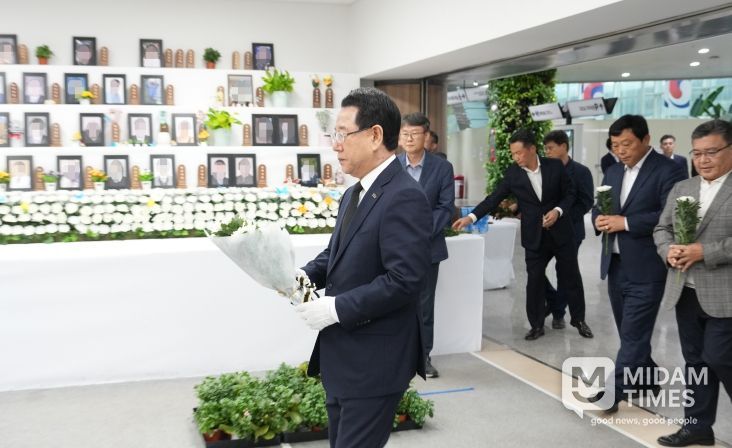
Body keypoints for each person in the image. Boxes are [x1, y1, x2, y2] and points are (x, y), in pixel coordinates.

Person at [295, 87, 431, 448]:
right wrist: (302, 276)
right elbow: (337, 253)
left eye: (343, 134)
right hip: (344, 356)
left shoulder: (403, 195)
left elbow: (404, 280)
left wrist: (336, 308)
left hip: (374, 361)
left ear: (374, 136)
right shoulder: (354, 192)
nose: (335, 145)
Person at [453, 129, 593, 341]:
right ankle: (536, 325)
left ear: (532, 149)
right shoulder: (513, 174)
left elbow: (570, 194)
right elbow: (493, 199)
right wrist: (470, 217)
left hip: (561, 232)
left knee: (571, 276)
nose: (516, 157)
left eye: (519, 153)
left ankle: (579, 320)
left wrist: (558, 211)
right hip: (534, 235)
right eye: (513, 154)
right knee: (534, 281)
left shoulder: (555, 166)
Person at [592, 114, 686, 413]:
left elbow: (669, 214)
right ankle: (648, 379)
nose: (621, 150)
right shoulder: (613, 171)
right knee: (628, 330)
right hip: (616, 263)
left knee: (633, 332)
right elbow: (599, 205)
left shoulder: (668, 170)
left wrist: (626, 222)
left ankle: (613, 391)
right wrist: (599, 218)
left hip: (648, 265)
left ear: (646, 139)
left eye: (627, 144)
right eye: (615, 145)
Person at [654, 119, 732, 447]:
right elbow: (662, 228)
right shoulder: (683, 188)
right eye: (697, 153)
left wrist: (705, 252)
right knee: (695, 362)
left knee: (720, 357)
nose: (703, 160)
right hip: (685, 291)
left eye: (711, 152)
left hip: (726, 293)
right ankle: (698, 426)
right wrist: (668, 250)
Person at [397, 112, 454, 378]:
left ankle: (424, 358)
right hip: (395, 249)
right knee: (395, 304)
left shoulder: (442, 168)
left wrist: (421, 233)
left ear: (427, 136)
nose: (409, 139)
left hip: (427, 248)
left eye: (414, 134)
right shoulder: (391, 165)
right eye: (404, 134)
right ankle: (398, 356)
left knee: (424, 306)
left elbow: (445, 207)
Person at [542, 130, 594, 329]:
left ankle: (558, 313)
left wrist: (561, 216)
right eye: (545, 149)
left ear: (564, 146)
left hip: (571, 230)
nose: (547, 152)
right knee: (535, 268)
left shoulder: (581, 172)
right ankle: (554, 301)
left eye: (550, 148)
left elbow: (586, 202)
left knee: (564, 272)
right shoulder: (544, 171)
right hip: (546, 230)